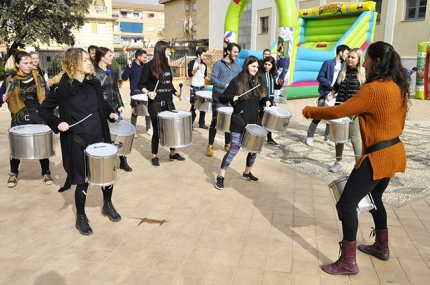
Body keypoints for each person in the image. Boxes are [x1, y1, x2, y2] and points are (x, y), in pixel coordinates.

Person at [302, 41, 409, 275]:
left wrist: (310, 111)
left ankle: (348, 262)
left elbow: (340, 111)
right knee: (374, 197)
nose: (365, 64)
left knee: (346, 204)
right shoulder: (399, 86)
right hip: (394, 151)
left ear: (377, 62)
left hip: (378, 155)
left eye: (368, 61)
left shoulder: (373, 89)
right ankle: (382, 246)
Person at [38, 48, 122, 235]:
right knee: (82, 180)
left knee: (106, 175)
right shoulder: (62, 87)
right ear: (73, 63)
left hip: (100, 137)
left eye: (88, 59)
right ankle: (81, 217)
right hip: (78, 140)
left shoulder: (93, 83)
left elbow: (103, 104)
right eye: (85, 60)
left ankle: (107, 204)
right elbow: (43, 110)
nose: (89, 62)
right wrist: (58, 122)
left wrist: (110, 113)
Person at [214, 56, 271, 190]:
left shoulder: (258, 81)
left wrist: (267, 101)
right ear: (247, 66)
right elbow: (222, 98)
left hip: (254, 121)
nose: (256, 69)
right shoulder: (237, 82)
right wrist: (231, 97)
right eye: (253, 66)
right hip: (239, 121)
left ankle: (247, 172)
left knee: (254, 149)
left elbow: (262, 97)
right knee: (234, 148)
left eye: (257, 67)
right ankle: (221, 176)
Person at [0, 51, 53, 188]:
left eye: (30, 63)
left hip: (38, 116)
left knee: (41, 145)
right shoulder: (10, 80)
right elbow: (0, 98)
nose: (29, 65)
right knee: (16, 146)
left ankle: (46, 172)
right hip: (19, 117)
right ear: (17, 64)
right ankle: (13, 173)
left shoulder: (38, 78)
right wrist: (3, 98)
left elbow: (48, 96)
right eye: (25, 63)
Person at [138, 40, 185, 167]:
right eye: (168, 49)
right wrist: (148, 93)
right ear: (161, 50)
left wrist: (176, 93)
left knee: (172, 129)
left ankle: (172, 153)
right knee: (157, 130)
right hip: (156, 104)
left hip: (169, 103)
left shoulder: (167, 67)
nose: (169, 51)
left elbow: (169, 84)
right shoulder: (149, 67)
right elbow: (140, 84)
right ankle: (154, 155)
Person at [326, 48, 366, 172]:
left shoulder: (363, 73)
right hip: (340, 107)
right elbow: (336, 86)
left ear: (359, 59)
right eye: (348, 56)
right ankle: (338, 162)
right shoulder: (343, 71)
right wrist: (331, 94)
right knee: (339, 137)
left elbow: (366, 93)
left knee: (355, 138)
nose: (349, 59)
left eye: (353, 57)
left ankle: (359, 166)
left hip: (354, 110)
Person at [94, 47, 132, 172]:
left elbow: (116, 90)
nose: (112, 57)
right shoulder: (94, 73)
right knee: (103, 135)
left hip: (114, 107)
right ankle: (104, 161)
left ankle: (122, 160)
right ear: (102, 57)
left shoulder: (112, 71)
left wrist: (120, 104)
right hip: (101, 109)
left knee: (118, 136)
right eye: (110, 55)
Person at [305, 44, 350, 147]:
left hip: (336, 95)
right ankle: (309, 136)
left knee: (332, 117)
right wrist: (330, 84)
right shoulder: (328, 63)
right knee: (318, 116)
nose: (347, 56)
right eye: (346, 53)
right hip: (325, 93)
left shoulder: (345, 66)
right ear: (340, 52)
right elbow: (320, 77)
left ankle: (327, 138)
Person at [207, 43, 242, 157]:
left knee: (229, 122)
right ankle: (210, 145)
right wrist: (224, 85)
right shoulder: (218, 64)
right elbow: (212, 79)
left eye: (237, 52)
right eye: (235, 52)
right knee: (215, 122)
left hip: (231, 100)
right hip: (219, 98)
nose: (236, 54)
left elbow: (241, 79)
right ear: (228, 51)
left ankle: (227, 144)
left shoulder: (237, 66)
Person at [121, 49, 152, 137]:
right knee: (135, 112)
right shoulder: (131, 66)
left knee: (148, 111)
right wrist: (128, 67)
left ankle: (148, 128)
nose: (146, 59)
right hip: (135, 92)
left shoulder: (145, 66)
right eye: (144, 57)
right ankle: (133, 129)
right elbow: (124, 77)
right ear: (138, 57)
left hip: (145, 91)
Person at [261, 56, 283, 146]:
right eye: (265, 64)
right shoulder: (260, 75)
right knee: (260, 120)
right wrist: (265, 99)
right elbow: (260, 88)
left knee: (269, 120)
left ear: (272, 66)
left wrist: (280, 84)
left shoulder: (271, 75)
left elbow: (274, 87)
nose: (267, 66)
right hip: (262, 101)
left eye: (269, 65)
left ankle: (269, 139)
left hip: (270, 101)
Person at [188, 47, 208, 129]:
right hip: (194, 88)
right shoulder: (192, 63)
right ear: (198, 55)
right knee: (193, 106)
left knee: (203, 107)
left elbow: (204, 76)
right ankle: (190, 123)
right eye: (203, 55)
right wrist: (197, 68)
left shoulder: (205, 65)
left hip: (202, 88)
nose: (204, 57)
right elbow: (190, 74)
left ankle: (201, 123)